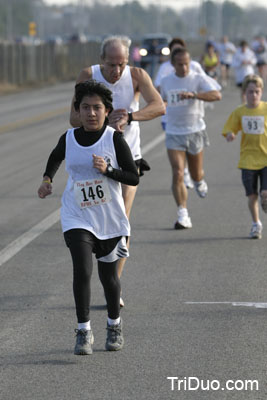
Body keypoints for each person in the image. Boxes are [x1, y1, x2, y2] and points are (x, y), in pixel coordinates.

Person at [38, 80, 139, 355]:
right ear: (77, 111)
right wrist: (47, 179)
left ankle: (114, 325)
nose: (91, 113)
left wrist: (108, 171)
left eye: (97, 108)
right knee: (82, 270)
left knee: (109, 279)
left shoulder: (113, 139)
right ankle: (83, 331)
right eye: (85, 108)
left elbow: (133, 176)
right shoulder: (68, 138)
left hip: (109, 219)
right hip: (77, 215)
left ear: (106, 111)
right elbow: (56, 157)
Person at [70, 35, 165, 306]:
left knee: (121, 219)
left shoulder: (137, 75)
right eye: (112, 64)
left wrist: (130, 116)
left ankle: (114, 285)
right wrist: (101, 120)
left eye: (122, 63)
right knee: (92, 222)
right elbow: (74, 117)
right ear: (102, 61)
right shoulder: (89, 75)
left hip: (127, 159)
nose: (117, 71)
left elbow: (159, 106)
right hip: (94, 163)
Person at [160, 47, 221, 229]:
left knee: (196, 174)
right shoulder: (166, 81)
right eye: (180, 64)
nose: (184, 68)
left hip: (195, 131)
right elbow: (159, 100)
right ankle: (182, 213)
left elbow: (217, 95)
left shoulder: (197, 78)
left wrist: (194, 95)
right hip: (174, 132)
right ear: (173, 64)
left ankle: (199, 180)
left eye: (186, 63)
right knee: (178, 172)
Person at [154, 37, 207, 190]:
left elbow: (203, 83)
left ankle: (193, 176)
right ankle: (183, 173)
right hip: (170, 117)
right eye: (173, 50)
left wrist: (194, 94)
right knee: (177, 158)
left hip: (192, 118)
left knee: (194, 161)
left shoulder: (195, 66)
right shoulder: (164, 68)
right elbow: (158, 88)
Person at [222, 74, 267, 239]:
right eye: (250, 92)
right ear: (244, 93)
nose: (253, 95)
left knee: (264, 193)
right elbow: (230, 128)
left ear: (261, 92)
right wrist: (230, 134)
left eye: (256, 92)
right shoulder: (240, 111)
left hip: (266, 158)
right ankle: (256, 224)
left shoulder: (266, 109)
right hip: (248, 160)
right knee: (252, 195)